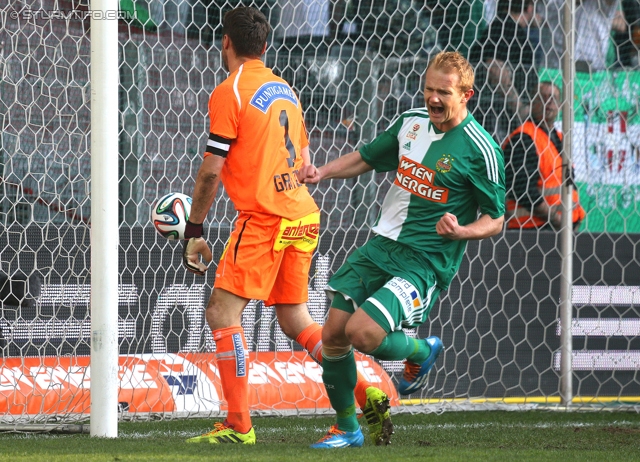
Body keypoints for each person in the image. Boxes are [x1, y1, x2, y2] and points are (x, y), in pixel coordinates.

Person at [180, 6, 389, 446]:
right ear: (267, 46)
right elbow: (306, 160)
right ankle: (364, 391)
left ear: (226, 43)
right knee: (295, 318)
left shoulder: (230, 91)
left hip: (265, 217)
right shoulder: (286, 89)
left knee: (221, 311)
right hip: (303, 215)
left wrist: (194, 229)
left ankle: (238, 426)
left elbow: (210, 171)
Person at [298, 51, 506, 448]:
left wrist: (462, 231)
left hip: (424, 262)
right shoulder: (410, 123)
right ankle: (347, 428)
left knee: (362, 332)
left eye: (443, 91)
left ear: (466, 95)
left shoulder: (481, 150)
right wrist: (321, 172)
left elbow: (496, 218)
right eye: (428, 88)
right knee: (333, 334)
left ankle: (420, 349)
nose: (432, 98)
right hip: (381, 246)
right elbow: (366, 157)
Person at [502, 81, 586, 230]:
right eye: (543, 97)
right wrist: (557, 219)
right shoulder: (523, 138)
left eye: (553, 98)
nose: (549, 102)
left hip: (561, 229)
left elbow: (568, 183)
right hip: (532, 229)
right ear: (532, 103)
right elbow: (521, 189)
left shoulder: (560, 138)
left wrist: (575, 219)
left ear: (560, 105)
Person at [468, 0, 539, 143]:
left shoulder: (499, 27)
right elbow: (494, 68)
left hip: (494, 116)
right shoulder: (506, 29)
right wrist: (519, 107)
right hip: (496, 118)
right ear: (530, 8)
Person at [542, 0, 623, 72]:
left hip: (594, 72)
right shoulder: (556, 3)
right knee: (549, 89)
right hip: (555, 69)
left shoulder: (601, 4)